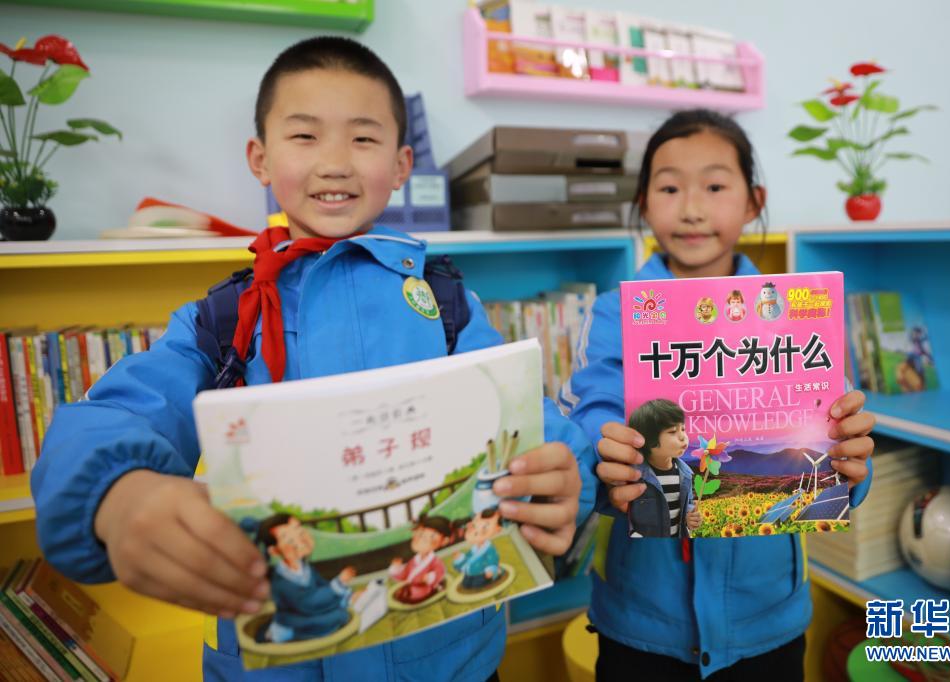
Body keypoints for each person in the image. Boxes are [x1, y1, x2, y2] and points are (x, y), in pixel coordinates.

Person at [31, 36, 594, 682]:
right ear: (260, 158)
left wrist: (564, 474)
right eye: (304, 136)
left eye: (363, 138)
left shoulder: (445, 304)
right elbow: (116, 414)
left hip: (450, 662)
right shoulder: (223, 319)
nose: (334, 163)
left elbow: (529, 420)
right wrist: (118, 492)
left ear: (401, 164)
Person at [558, 109, 877, 681]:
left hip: (767, 619)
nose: (692, 208)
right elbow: (593, 407)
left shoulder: (795, 311)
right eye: (669, 188)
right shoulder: (614, 312)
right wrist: (604, 451)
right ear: (644, 203)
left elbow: (833, 420)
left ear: (753, 202)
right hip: (642, 622)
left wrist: (852, 461)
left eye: (714, 186)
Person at [256, 515, 357, 643]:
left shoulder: (304, 567)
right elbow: (308, 604)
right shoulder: (281, 581)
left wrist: (348, 595)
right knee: (339, 616)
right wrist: (339, 583)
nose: (300, 540)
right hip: (296, 620)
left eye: (299, 531)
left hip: (309, 613)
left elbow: (322, 585)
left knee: (340, 611)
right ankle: (277, 635)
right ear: (275, 550)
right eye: (288, 538)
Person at [625, 399, 701, 539]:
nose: (682, 437)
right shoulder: (634, 476)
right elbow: (625, 512)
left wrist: (690, 518)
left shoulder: (685, 474)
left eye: (683, 429)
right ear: (648, 439)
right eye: (672, 431)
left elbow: (687, 506)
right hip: (648, 547)